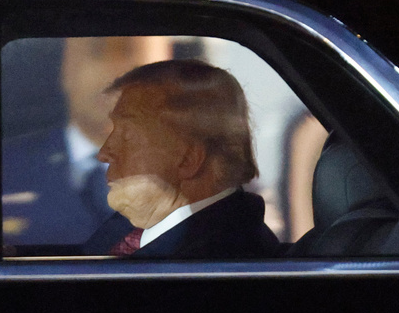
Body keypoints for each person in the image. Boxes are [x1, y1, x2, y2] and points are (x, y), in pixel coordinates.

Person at [83, 59, 280, 258]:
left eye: (128, 135)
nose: (104, 153)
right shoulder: (136, 232)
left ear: (188, 158)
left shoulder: (218, 262)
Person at [2, 37, 168, 249]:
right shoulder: (5, 171)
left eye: (130, 54)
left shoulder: (203, 176)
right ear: (67, 68)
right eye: (96, 53)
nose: (114, 73)